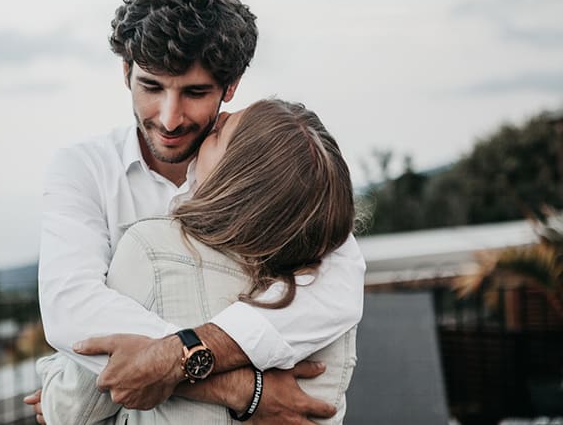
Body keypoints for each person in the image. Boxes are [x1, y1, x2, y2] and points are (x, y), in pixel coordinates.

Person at [27, 0, 366, 422]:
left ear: (231, 86)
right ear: (126, 71)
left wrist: (173, 360)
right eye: (151, 87)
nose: (169, 119)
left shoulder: (265, 157)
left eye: (194, 92)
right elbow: (72, 311)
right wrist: (242, 388)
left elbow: (337, 287)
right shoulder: (83, 167)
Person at [34, 98, 359, 424]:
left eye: (218, 137)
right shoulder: (319, 273)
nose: (218, 122)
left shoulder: (152, 254)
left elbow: (74, 407)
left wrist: (53, 385)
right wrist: (243, 388)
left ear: (232, 183)